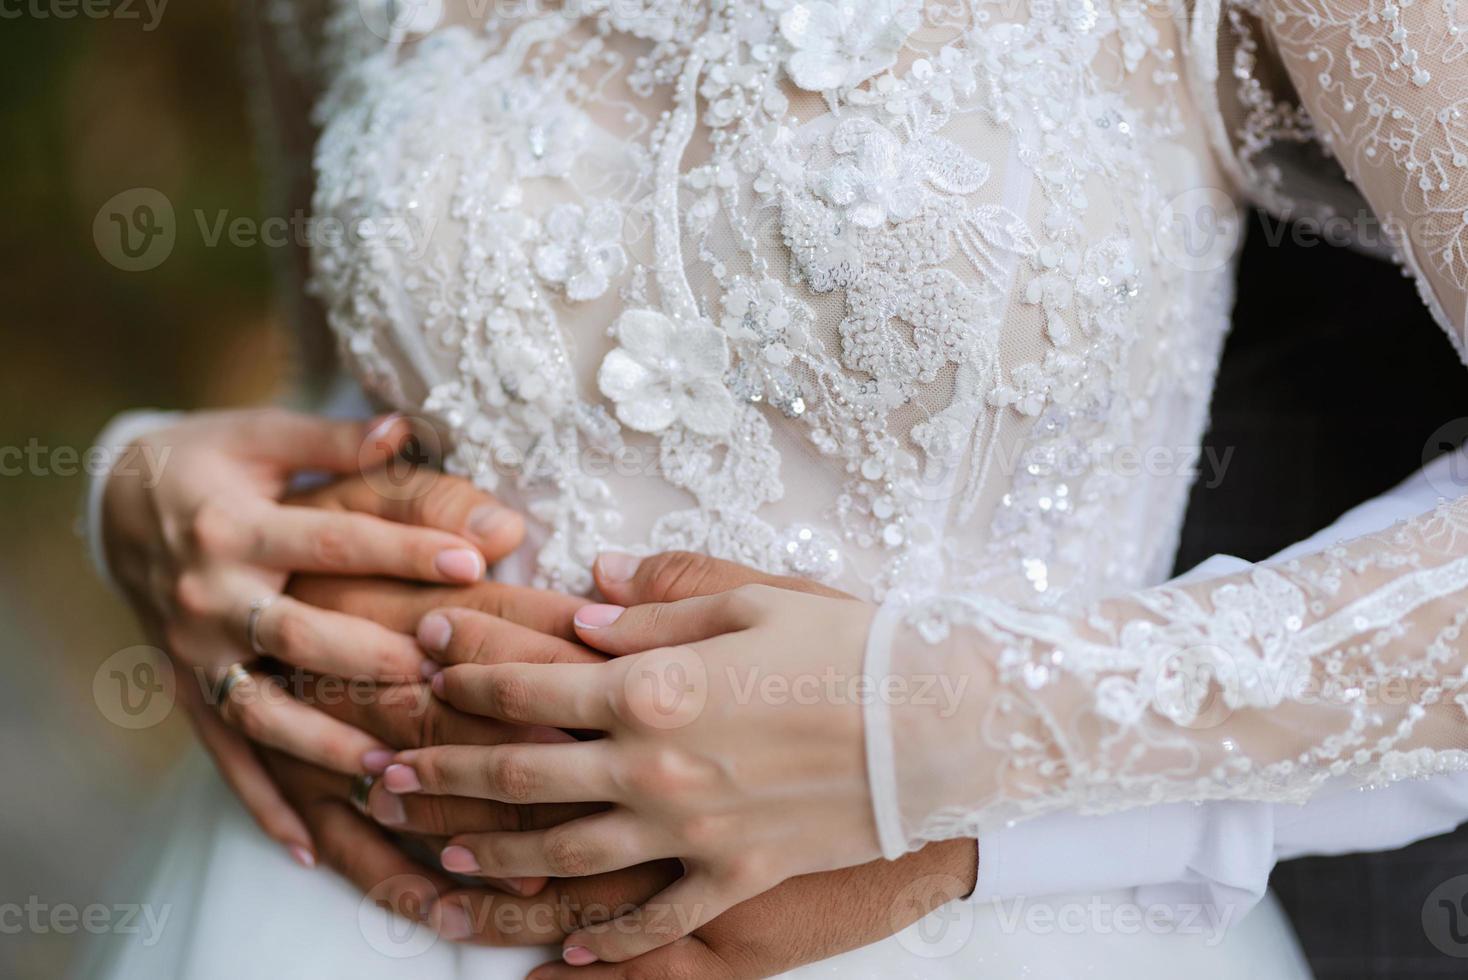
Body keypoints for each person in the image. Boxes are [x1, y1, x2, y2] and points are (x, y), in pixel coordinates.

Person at [82, 1, 1468, 976]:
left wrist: (931, 738)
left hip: (985, 936)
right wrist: (147, 492)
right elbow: (370, 385)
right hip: (329, 907)